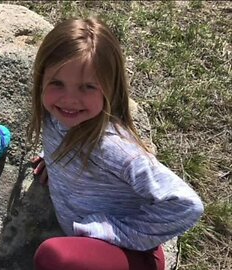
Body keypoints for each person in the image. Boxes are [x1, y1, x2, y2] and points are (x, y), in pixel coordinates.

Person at [28, 17, 204, 270]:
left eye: (87, 87)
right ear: (41, 79)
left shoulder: (113, 148)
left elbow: (187, 205)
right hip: (89, 245)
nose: (69, 99)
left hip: (127, 252)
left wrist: (111, 231)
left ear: (110, 89)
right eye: (57, 83)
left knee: (53, 257)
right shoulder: (54, 116)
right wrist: (56, 160)